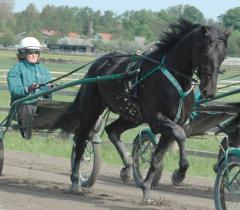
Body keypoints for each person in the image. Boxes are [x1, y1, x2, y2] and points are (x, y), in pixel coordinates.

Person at [7, 37, 52, 139]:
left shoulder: (43, 70)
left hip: (41, 104)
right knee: (26, 106)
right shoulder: (16, 70)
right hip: (23, 104)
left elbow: (48, 90)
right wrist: (28, 89)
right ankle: (27, 135)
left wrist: (49, 88)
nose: (34, 55)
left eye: (36, 52)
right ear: (22, 53)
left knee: (60, 107)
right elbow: (15, 91)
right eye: (30, 52)